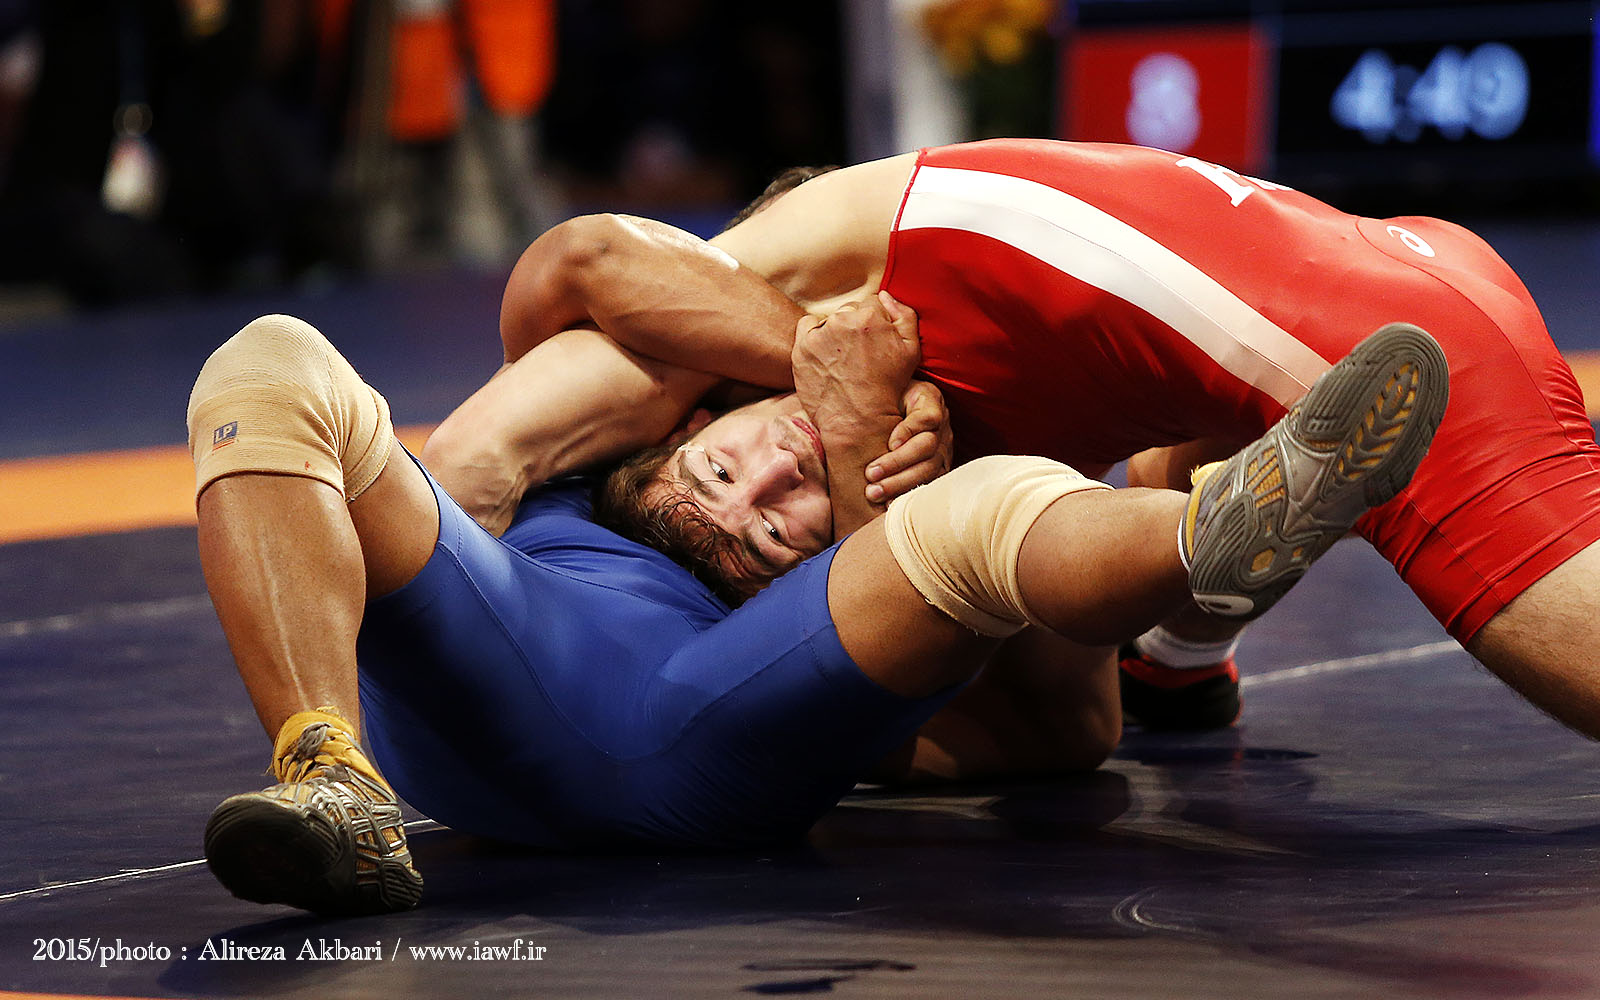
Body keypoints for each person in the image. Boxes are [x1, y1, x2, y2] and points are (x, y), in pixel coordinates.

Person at [187, 293, 1444, 912]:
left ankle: (1218, 529)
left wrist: (861, 438)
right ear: (683, 427)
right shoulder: (598, 424)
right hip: (487, 666)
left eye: (777, 515)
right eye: (726, 485)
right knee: (275, 357)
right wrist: (847, 387)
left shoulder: (811, 591)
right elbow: (572, 262)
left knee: (971, 517)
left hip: (704, 725)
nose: (769, 474)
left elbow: (1055, 724)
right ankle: (331, 777)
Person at [428, 137, 1600, 738]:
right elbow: (1063, 721)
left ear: (689, 418)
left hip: (1374, 336)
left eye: (724, 462)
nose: (777, 463)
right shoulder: (930, 435)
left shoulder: (732, 315)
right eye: (768, 519)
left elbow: (578, 263)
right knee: (1163, 473)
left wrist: (840, 370)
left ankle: (1191, 621)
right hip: (1390, 264)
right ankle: (1180, 667)